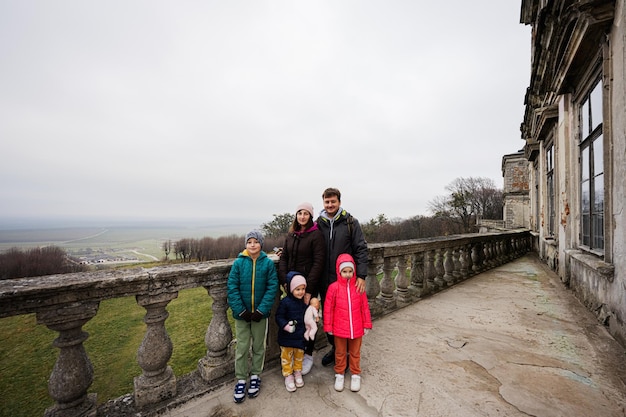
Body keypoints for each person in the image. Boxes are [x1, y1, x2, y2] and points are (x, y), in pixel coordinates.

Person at [316, 187, 368, 367]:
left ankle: (347, 353)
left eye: (333, 201)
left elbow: (361, 249)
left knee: (347, 317)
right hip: (325, 281)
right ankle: (336, 349)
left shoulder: (350, 223)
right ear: (323, 203)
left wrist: (361, 275)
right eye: (327, 202)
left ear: (339, 202)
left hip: (346, 282)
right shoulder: (318, 223)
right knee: (329, 317)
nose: (330, 205)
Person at [227, 230, 279, 403]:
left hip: (260, 315)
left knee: (259, 346)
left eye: (256, 242)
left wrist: (261, 311)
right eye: (249, 242)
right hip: (241, 315)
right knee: (242, 347)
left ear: (261, 244)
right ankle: (241, 379)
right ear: (245, 245)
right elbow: (232, 287)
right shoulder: (238, 263)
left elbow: (272, 288)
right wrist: (240, 310)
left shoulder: (267, 264)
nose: (252, 245)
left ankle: (256, 376)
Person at [277, 202, 325, 374]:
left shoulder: (316, 235)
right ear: (296, 216)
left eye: (306, 213)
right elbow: (284, 259)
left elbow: (318, 263)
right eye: (299, 213)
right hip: (292, 286)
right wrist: (285, 282)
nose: (302, 216)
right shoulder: (291, 235)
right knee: (293, 318)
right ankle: (293, 354)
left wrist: (309, 289)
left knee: (308, 320)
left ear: (310, 216)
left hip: (308, 286)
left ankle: (308, 355)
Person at [323, 253, 372, 392]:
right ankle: (339, 373)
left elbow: (364, 307)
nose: (348, 274)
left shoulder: (358, 286)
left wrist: (366, 324)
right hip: (339, 328)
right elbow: (328, 308)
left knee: (355, 352)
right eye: (344, 271)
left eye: (350, 271)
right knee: (340, 352)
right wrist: (328, 326)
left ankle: (355, 374)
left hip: (356, 328)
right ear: (339, 271)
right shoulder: (334, 288)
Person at [275, 272, 309, 392]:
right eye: (297, 289)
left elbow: (306, 316)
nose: (301, 292)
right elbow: (279, 316)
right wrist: (286, 326)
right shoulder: (285, 302)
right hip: (287, 337)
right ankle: (288, 375)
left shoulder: (303, 303)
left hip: (300, 336)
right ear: (291, 289)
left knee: (299, 356)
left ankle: (297, 371)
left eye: (303, 289)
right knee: (286, 357)